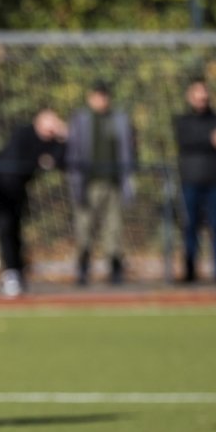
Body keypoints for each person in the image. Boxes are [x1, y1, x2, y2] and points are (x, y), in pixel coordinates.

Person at [0, 108, 68, 296]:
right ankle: (11, 272)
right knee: (7, 229)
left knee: (16, 230)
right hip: (0, 187)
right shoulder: (23, 133)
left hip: (18, 191)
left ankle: (17, 270)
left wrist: (63, 137)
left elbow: (59, 161)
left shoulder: (52, 143)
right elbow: (36, 161)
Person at [65, 80, 138, 286]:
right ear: (90, 97)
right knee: (84, 228)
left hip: (113, 182)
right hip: (88, 183)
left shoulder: (119, 119)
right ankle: (83, 268)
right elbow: (73, 150)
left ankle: (115, 268)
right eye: (97, 96)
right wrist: (75, 179)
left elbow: (128, 149)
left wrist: (128, 177)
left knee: (113, 228)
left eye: (104, 96)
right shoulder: (81, 119)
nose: (101, 100)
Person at [174, 78, 216, 284]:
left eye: (204, 93)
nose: (201, 97)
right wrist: (211, 140)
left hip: (214, 181)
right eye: (197, 93)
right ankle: (189, 270)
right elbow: (186, 141)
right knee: (190, 226)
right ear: (190, 96)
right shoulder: (183, 120)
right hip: (190, 181)